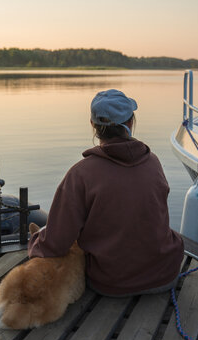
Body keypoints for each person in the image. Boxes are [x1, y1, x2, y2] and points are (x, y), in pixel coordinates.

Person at [28, 89, 184, 296]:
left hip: (112, 283)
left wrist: (34, 242)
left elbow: (55, 243)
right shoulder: (153, 162)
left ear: (93, 125)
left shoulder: (80, 174)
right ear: (130, 123)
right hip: (165, 274)